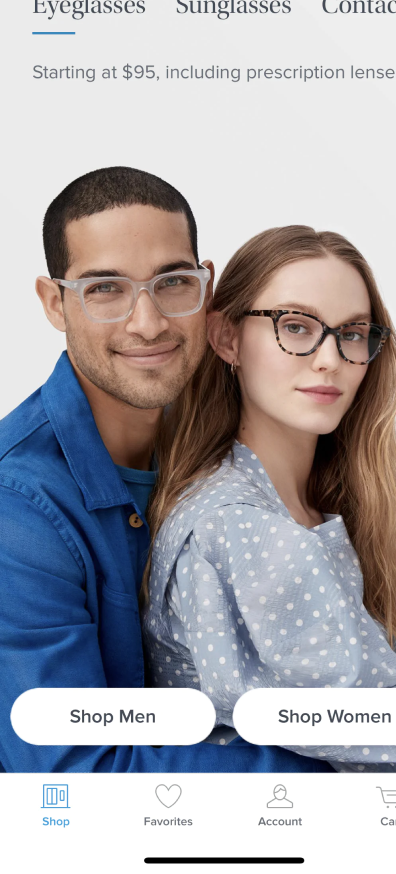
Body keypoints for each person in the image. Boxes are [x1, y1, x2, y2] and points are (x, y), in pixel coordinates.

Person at [0, 167, 322, 774]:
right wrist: (360, 767)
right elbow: (77, 769)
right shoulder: (16, 507)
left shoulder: (248, 427)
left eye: (172, 283)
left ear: (207, 285)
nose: (147, 323)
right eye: (104, 289)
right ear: (53, 302)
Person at [145, 224, 396, 773]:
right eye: (295, 326)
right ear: (226, 338)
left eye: (352, 333)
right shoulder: (238, 528)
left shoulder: (345, 512)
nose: (330, 358)